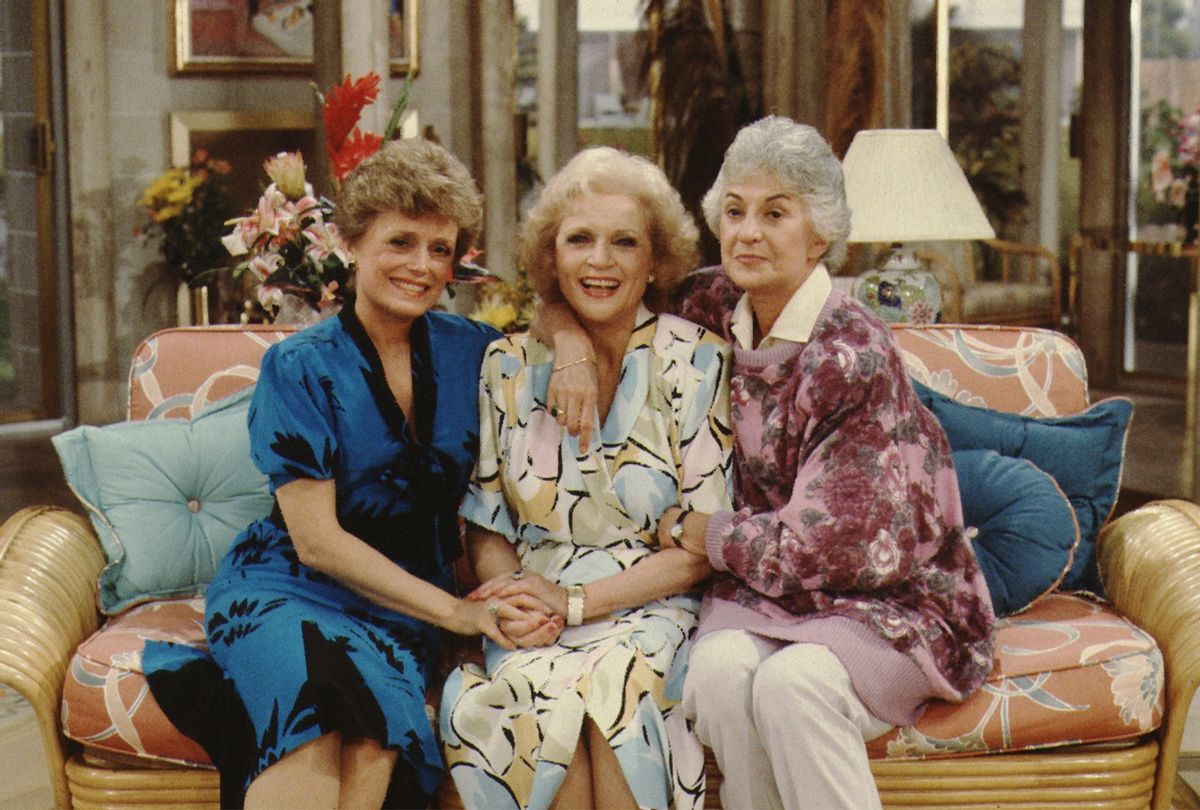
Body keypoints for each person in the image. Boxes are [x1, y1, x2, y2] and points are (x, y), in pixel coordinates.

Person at [539, 117, 996, 809]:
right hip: (767, 594)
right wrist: (569, 341)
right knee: (718, 673)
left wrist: (705, 533)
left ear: (820, 235)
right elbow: (589, 291)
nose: (748, 232)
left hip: (887, 595)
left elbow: (833, 548)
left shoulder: (851, 353)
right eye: (735, 210)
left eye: (774, 214)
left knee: (796, 686)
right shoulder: (713, 302)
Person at [144, 138, 526, 809]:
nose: (422, 266)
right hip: (290, 586)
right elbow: (316, 542)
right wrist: (458, 612)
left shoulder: (480, 351)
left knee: (376, 739)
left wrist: (576, 344)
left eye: (441, 250)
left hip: (402, 604)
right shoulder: (299, 365)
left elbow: (566, 314)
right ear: (352, 243)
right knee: (316, 711)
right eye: (401, 242)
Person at [439, 146, 734, 810]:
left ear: (654, 260)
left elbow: (698, 550)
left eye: (623, 242)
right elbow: (488, 522)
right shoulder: (507, 364)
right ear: (552, 257)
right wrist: (512, 600)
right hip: (535, 610)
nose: (600, 260)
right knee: (537, 706)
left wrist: (574, 604)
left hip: (651, 606)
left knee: (614, 692)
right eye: (580, 240)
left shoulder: (697, 362)